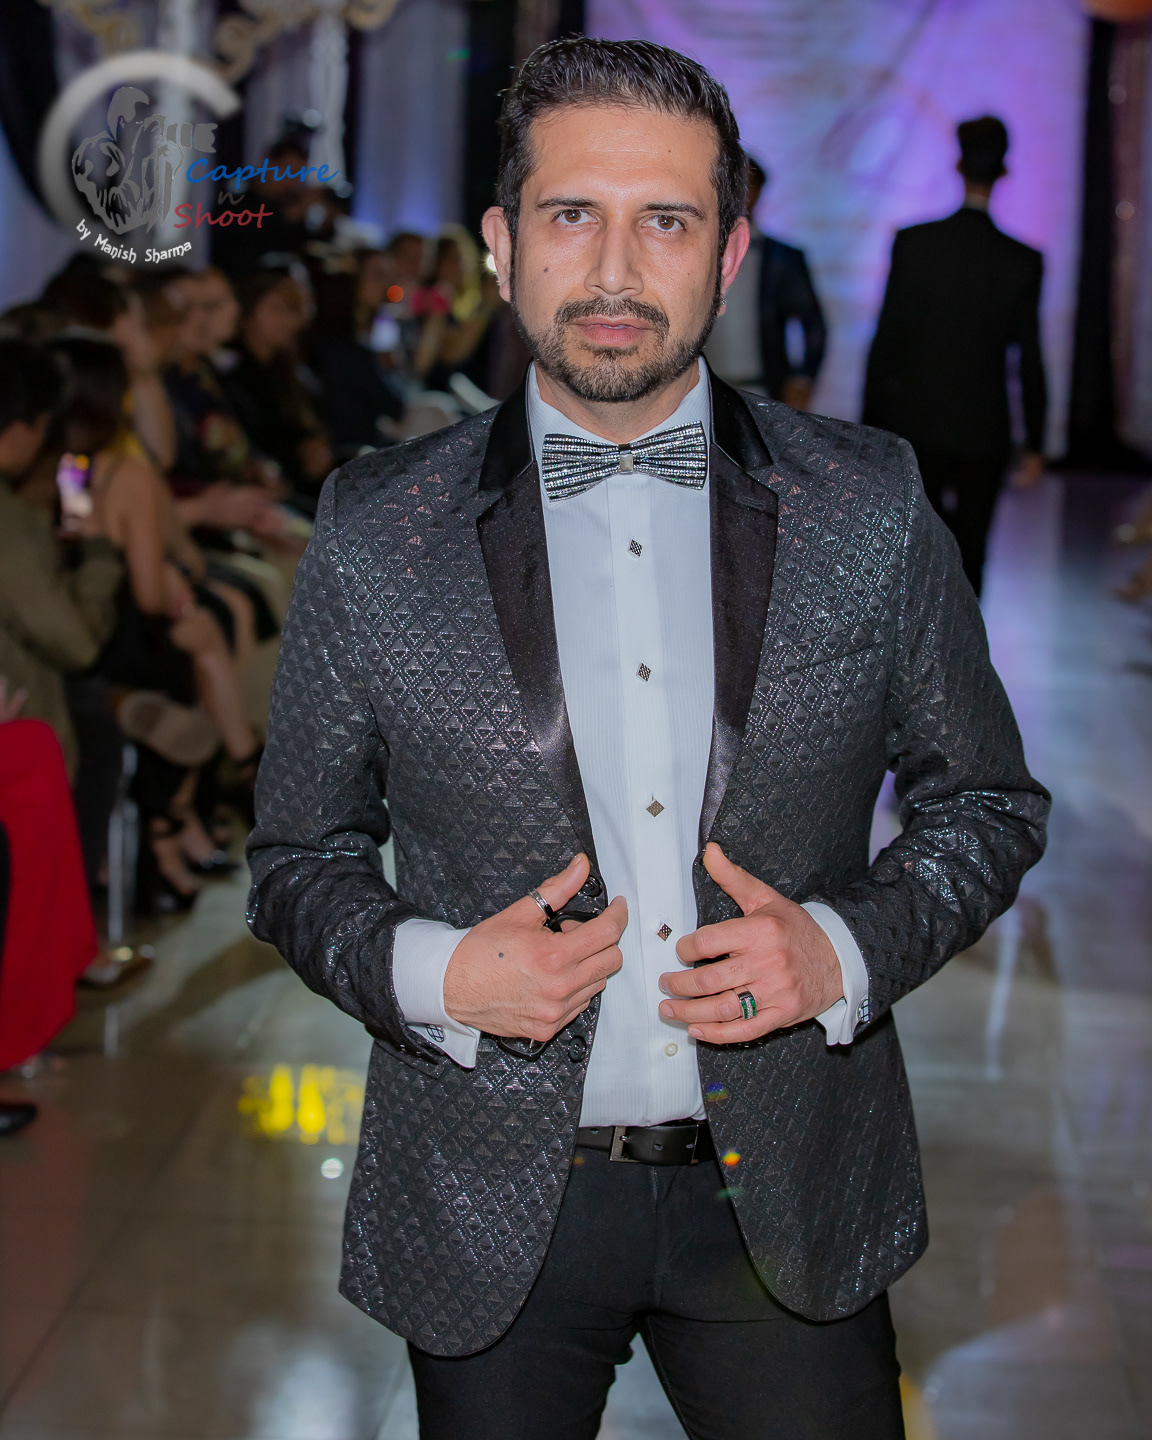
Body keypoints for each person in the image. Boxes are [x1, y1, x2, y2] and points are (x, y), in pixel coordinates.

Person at [248, 38, 1049, 1440]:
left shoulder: (866, 506)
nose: (615, 270)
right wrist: (440, 972)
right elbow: (295, 858)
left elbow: (986, 802)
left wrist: (842, 950)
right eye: (572, 214)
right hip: (488, 1192)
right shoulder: (378, 529)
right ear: (502, 245)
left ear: (729, 253)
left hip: (787, 1187)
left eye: (666, 221)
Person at [863, 116, 1047, 595]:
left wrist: (870, 429)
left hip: (915, 423)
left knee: (916, 550)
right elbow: (1028, 356)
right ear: (1003, 171)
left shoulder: (914, 243)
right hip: (984, 429)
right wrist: (1035, 442)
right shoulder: (1021, 260)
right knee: (972, 552)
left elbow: (887, 341)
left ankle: (916, 643)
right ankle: (961, 645)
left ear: (958, 164)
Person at [705, 154, 826, 409]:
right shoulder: (696, 253)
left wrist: (802, 378)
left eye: (748, 185)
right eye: (732, 184)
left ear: (760, 191)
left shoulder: (782, 258)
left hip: (765, 389)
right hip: (700, 388)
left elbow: (813, 323)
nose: (740, 194)